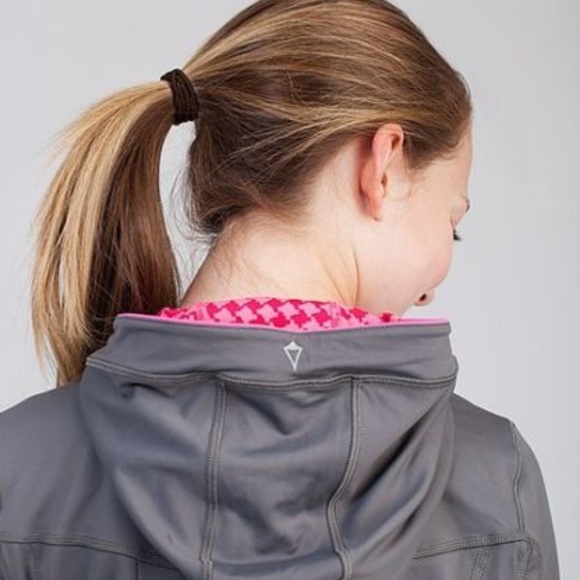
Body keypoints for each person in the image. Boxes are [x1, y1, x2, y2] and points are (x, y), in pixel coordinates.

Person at [0, 0, 559, 578]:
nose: (428, 293)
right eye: (452, 222)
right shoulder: (498, 479)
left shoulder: (16, 467)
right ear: (384, 166)